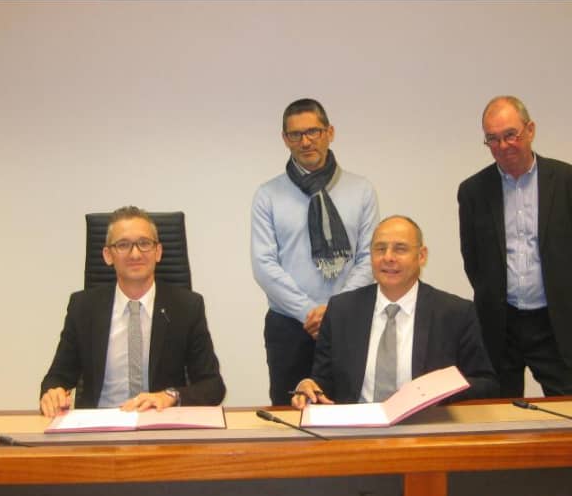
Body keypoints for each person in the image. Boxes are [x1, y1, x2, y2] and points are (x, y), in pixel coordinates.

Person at [251, 98, 380, 405]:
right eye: (295, 134)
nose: (305, 141)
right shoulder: (268, 195)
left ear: (329, 132)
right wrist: (308, 312)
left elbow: (368, 258)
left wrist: (335, 312)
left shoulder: (361, 190)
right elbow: (264, 264)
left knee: (348, 410)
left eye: (313, 131)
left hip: (348, 323)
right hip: (289, 326)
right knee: (290, 415)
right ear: (285, 139)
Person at [292, 216, 498, 408]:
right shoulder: (341, 310)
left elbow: (486, 384)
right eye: (380, 249)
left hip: (426, 425)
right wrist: (308, 386)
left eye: (400, 249)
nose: (388, 257)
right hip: (356, 427)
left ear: (421, 256)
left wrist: (439, 391)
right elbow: (323, 381)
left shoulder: (455, 313)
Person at [40, 206, 226, 416]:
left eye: (144, 243)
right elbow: (56, 377)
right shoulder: (83, 307)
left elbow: (213, 386)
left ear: (158, 252)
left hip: (161, 420)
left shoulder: (187, 307)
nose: (135, 254)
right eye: (123, 245)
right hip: (100, 425)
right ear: (108, 255)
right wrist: (52, 393)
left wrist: (169, 396)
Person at [458, 95, 572, 397]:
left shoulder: (565, 181)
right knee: (499, 410)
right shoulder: (472, 191)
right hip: (500, 324)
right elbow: (472, 259)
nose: (503, 145)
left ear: (530, 130)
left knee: (566, 406)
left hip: (557, 321)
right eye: (492, 139)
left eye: (511, 135)